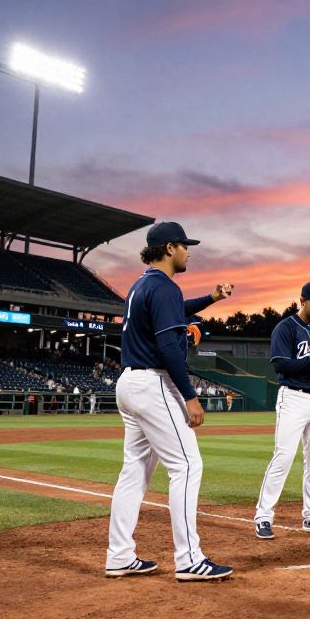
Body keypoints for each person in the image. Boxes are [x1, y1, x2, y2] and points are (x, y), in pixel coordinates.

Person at [105, 221, 235, 581]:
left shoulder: (143, 285)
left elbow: (178, 309)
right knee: (187, 466)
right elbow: (167, 346)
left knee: (134, 472)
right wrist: (190, 397)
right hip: (153, 382)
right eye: (184, 246)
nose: (188, 251)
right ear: (169, 249)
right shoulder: (163, 288)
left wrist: (212, 297)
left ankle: (119, 556)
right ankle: (189, 560)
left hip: (129, 382)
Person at [254, 280, 310, 540]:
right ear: (302, 301)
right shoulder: (285, 328)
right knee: (282, 458)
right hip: (293, 398)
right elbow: (281, 365)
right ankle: (263, 516)